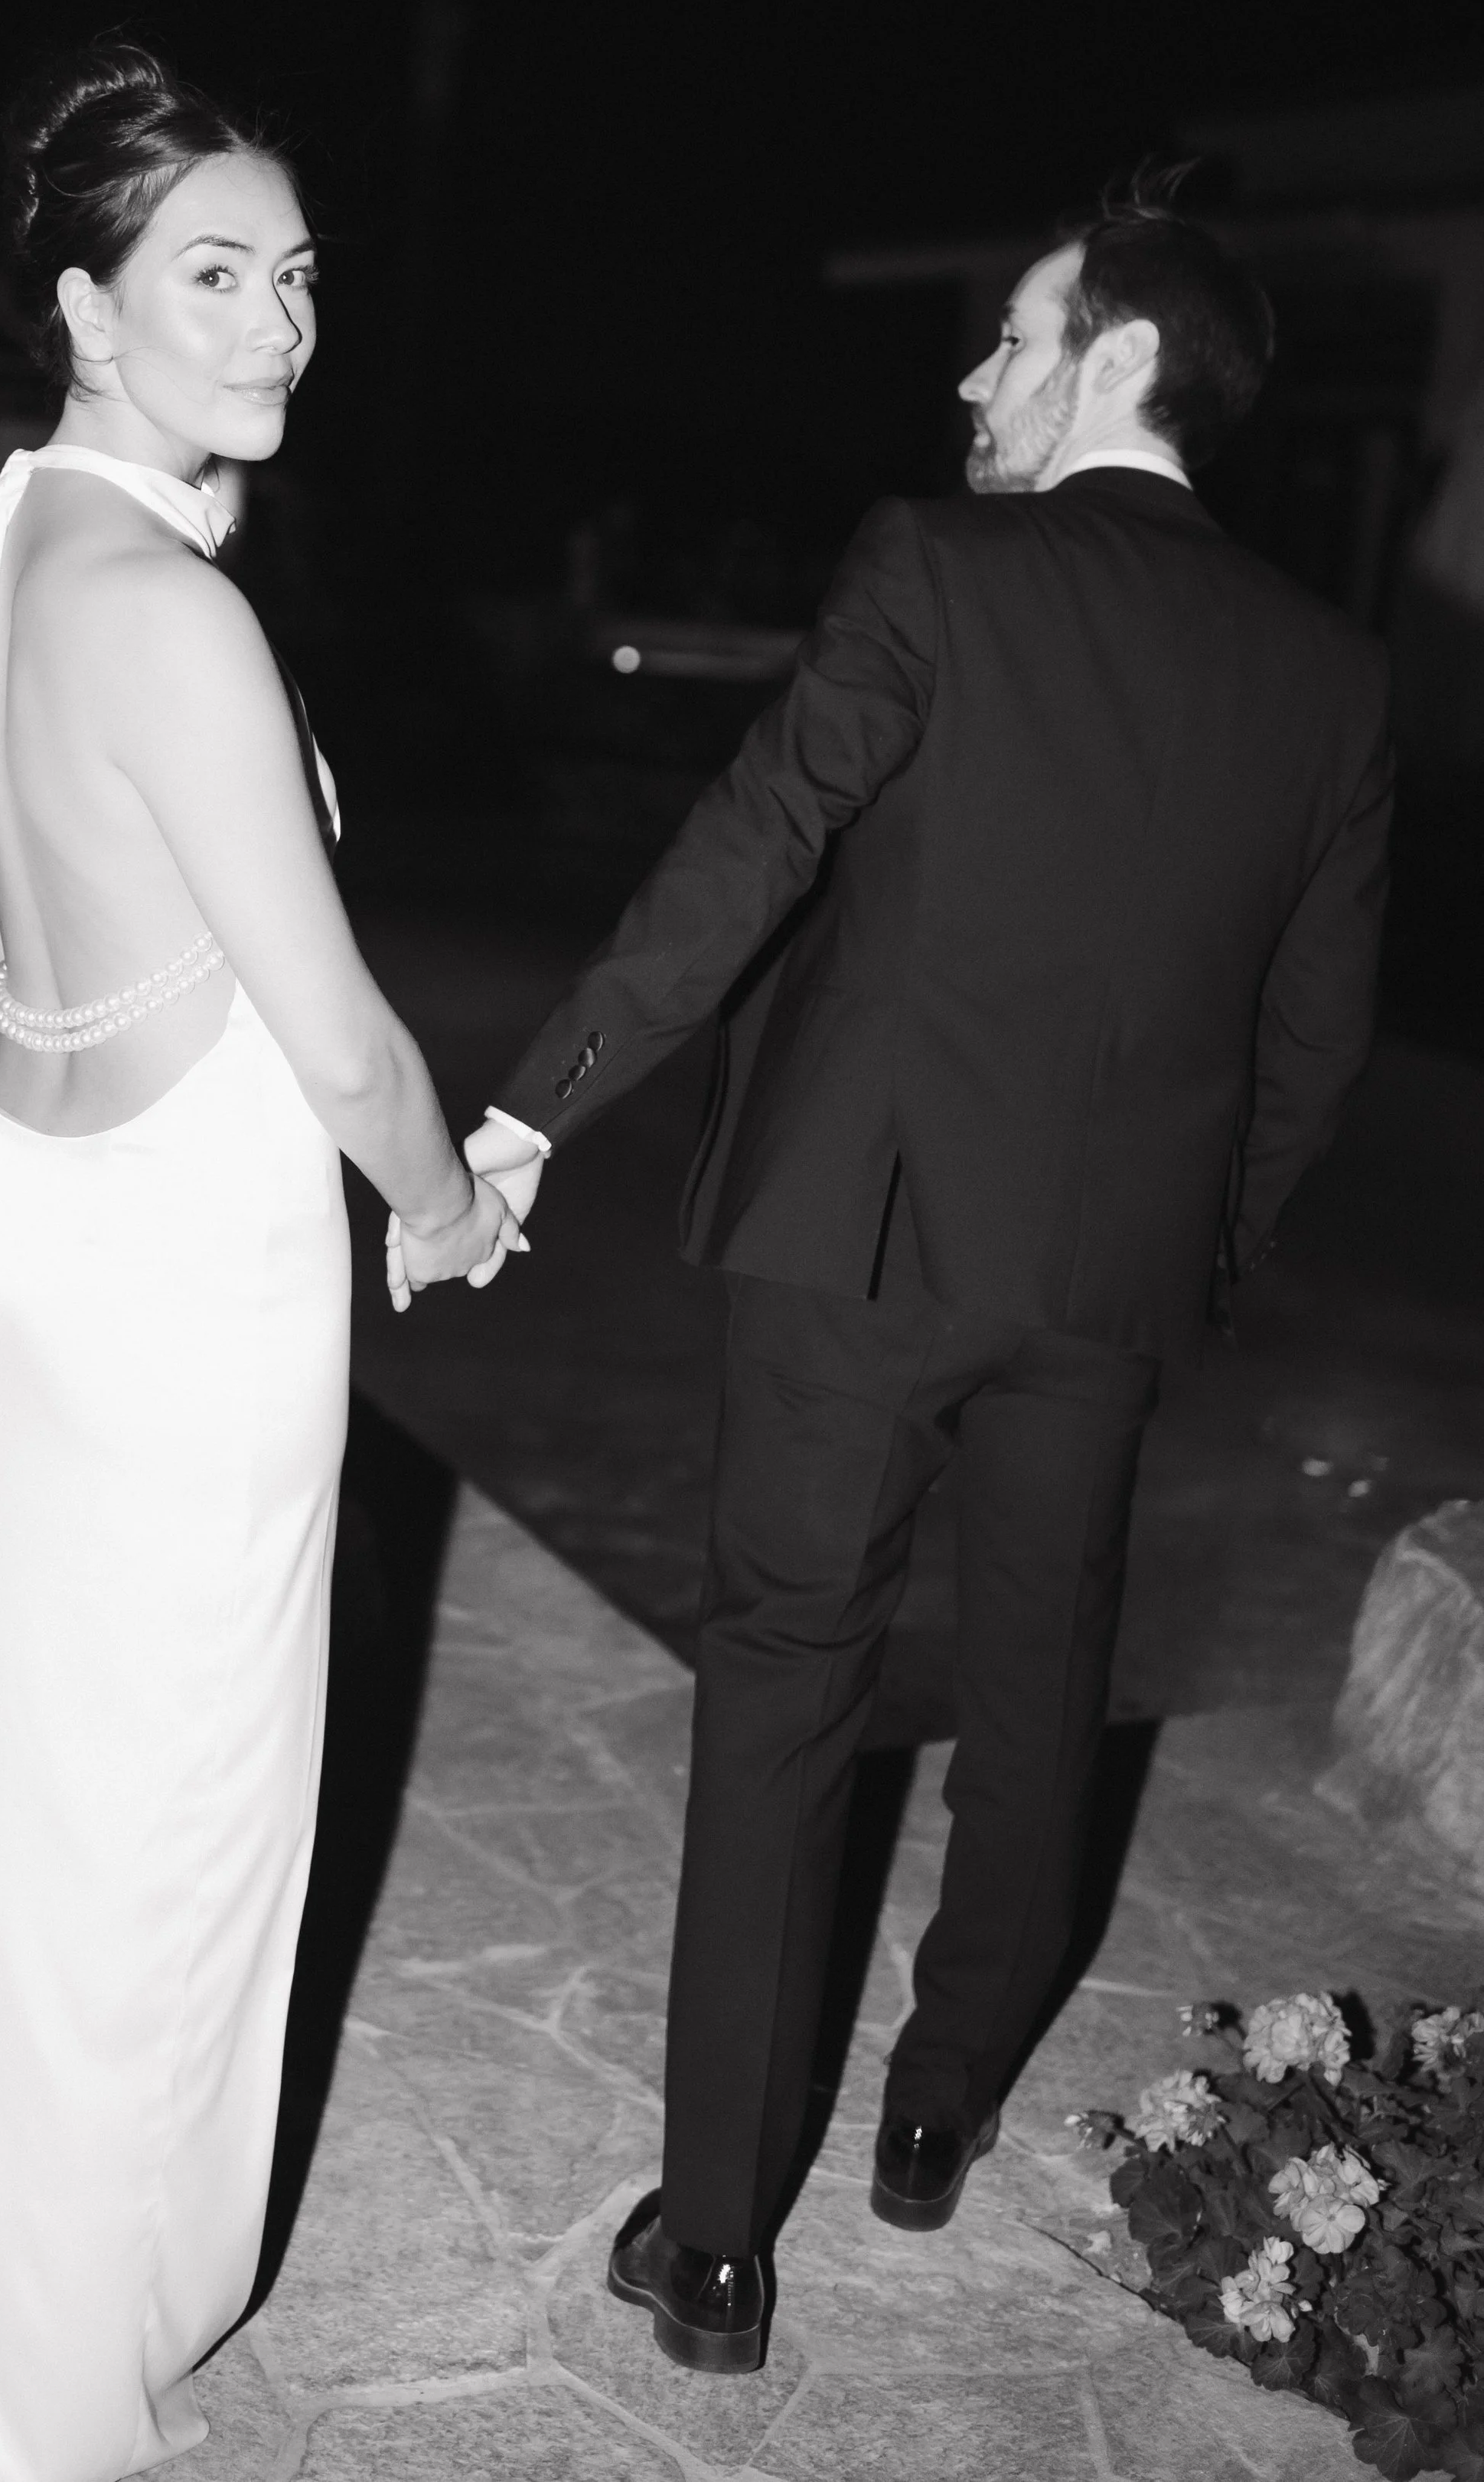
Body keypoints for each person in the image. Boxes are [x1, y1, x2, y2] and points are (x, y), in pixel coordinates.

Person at [0, 41, 521, 2480]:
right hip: (174, 1291)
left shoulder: (35, 536)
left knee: (48, 1812)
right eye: (216, 276)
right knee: (152, 1835)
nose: (277, 323)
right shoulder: (169, 607)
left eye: (296, 276)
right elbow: (344, 1043)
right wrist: (448, 1208)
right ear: (85, 302)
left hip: (59, 1224)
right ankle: (26, 2364)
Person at [467, 175, 1391, 2373]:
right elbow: (1313, 1036)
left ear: (1117, 357)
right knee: (1037, 1679)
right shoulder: (1324, 673)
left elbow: (753, 837)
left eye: (1010, 334)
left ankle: (711, 2244)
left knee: (783, 1682)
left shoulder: (939, 570)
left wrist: (528, 1109)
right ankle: (930, 2111)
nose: (971, 372)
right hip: (1099, 1278)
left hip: (850, 1245)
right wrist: (1207, 1239)